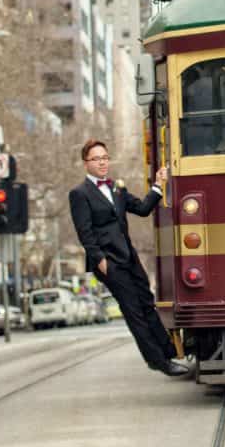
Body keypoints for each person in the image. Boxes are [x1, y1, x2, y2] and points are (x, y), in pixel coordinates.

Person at [68, 139, 188, 377]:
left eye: (105, 157)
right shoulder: (79, 194)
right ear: (86, 164)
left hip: (129, 257)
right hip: (109, 262)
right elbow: (85, 232)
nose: (102, 162)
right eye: (96, 159)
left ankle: (167, 350)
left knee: (147, 302)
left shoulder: (117, 188)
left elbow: (143, 209)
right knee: (134, 310)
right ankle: (158, 361)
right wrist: (101, 261)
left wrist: (158, 185)